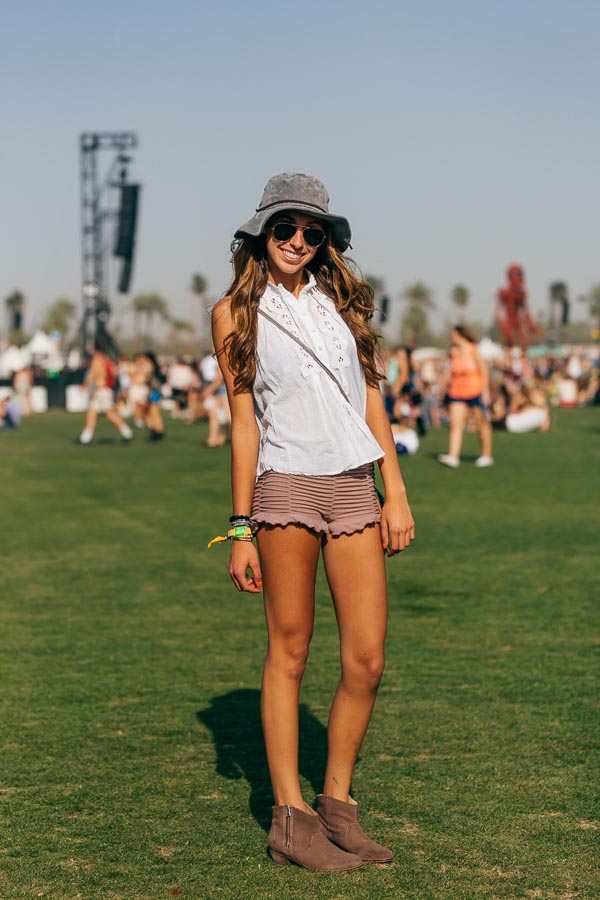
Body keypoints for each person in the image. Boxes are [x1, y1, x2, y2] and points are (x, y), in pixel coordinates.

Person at [211, 173, 415, 872]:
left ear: (326, 241)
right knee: (290, 653)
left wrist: (395, 491)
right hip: (285, 487)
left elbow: (373, 399)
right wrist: (240, 527)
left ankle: (337, 805)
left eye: (312, 232)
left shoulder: (345, 305)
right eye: (285, 228)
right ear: (261, 234)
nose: (298, 241)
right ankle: (291, 820)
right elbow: (243, 422)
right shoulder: (235, 312)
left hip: (355, 485)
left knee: (367, 659)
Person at [438, 325, 494, 468]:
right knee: (456, 424)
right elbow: (450, 370)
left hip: (475, 390)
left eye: (453, 334)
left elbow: (483, 368)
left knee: (481, 423)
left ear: (460, 334)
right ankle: (453, 456)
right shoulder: (454, 352)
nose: (452, 337)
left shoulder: (473, 349)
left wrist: (485, 390)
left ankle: (486, 455)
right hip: (457, 391)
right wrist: (443, 383)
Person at [77, 339, 134, 445]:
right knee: (92, 413)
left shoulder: (97, 359)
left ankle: (128, 433)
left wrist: (84, 386)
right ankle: (85, 438)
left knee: (109, 414)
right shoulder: (106, 358)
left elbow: (93, 374)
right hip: (105, 390)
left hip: (101, 391)